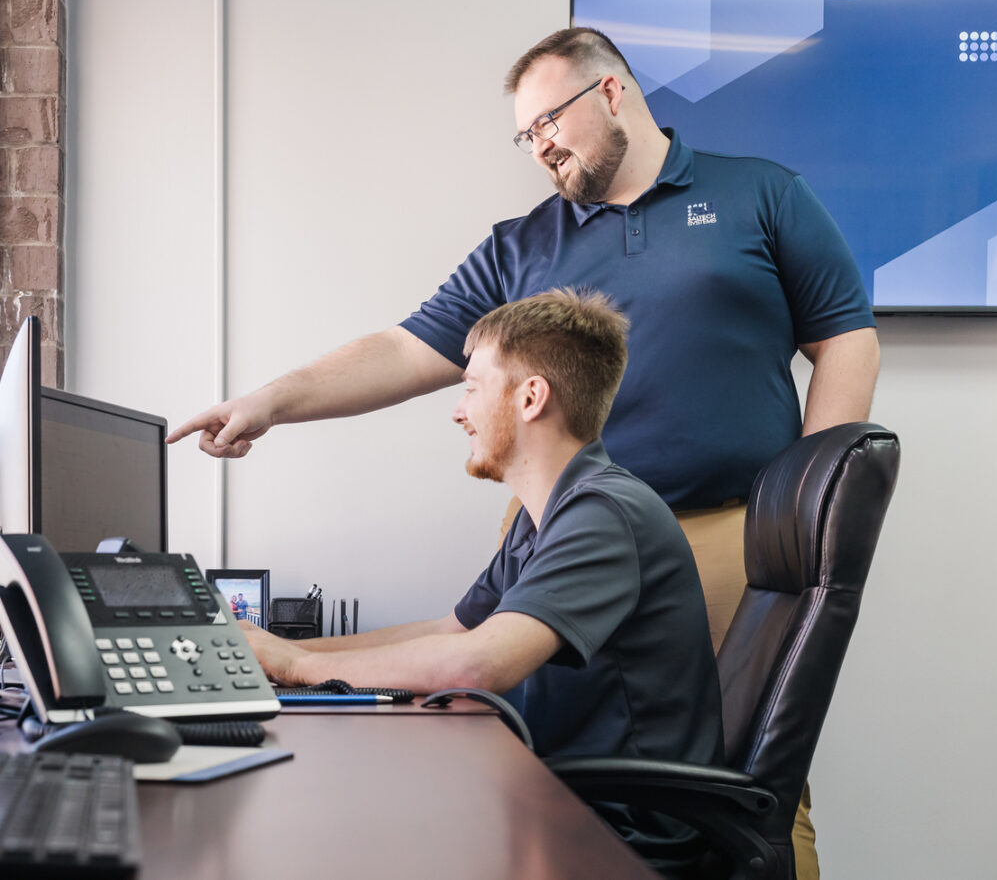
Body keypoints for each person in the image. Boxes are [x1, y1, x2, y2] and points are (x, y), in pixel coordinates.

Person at [168, 27, 879, 878]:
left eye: (548, 120)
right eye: (524, 133)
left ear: (611, 92)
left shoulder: (758, 194)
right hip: (562, 516)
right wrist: (270, 403)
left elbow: (846, 338)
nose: (538, 145)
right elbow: (404, 351)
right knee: (535, 744)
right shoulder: (523, 244)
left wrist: (796, 512)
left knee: (750, 783)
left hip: (729, 529)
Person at [238, 290, 723, 786]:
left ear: (530, 398)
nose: (458, 411)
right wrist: (284, 651)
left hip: (624, 827)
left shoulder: (603, 514)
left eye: (471, 387)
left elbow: (477, 665)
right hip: (561, 792)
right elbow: (451, 631)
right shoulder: (541, 518)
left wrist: (297, 665)